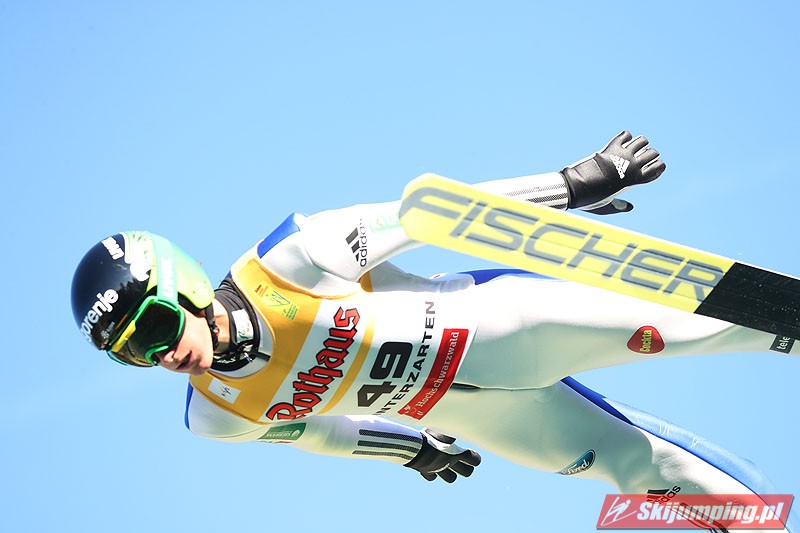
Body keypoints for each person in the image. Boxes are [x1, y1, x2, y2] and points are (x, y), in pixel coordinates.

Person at [71, 132, 796, 531]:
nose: (162, 354)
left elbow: (430, 215)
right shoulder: (218, 415)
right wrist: (412, 451)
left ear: (186, 285)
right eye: (135, 353)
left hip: (501, 327)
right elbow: (323, 434)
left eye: (156, 324)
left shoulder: (292, 260)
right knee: (648, 472)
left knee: (691, 323)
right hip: (483, 416)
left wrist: (574, 185)